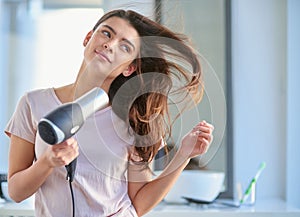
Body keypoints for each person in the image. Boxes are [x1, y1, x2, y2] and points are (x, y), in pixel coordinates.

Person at [5, 9, 214, 217]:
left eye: (125, 46)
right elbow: (15, 192)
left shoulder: (134, 121)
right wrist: (47, 162)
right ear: (88, 38)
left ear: (129, 69)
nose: (110, 44)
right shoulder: (33, 104)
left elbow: (139, 204)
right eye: (106, 33)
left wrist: (184, 155)